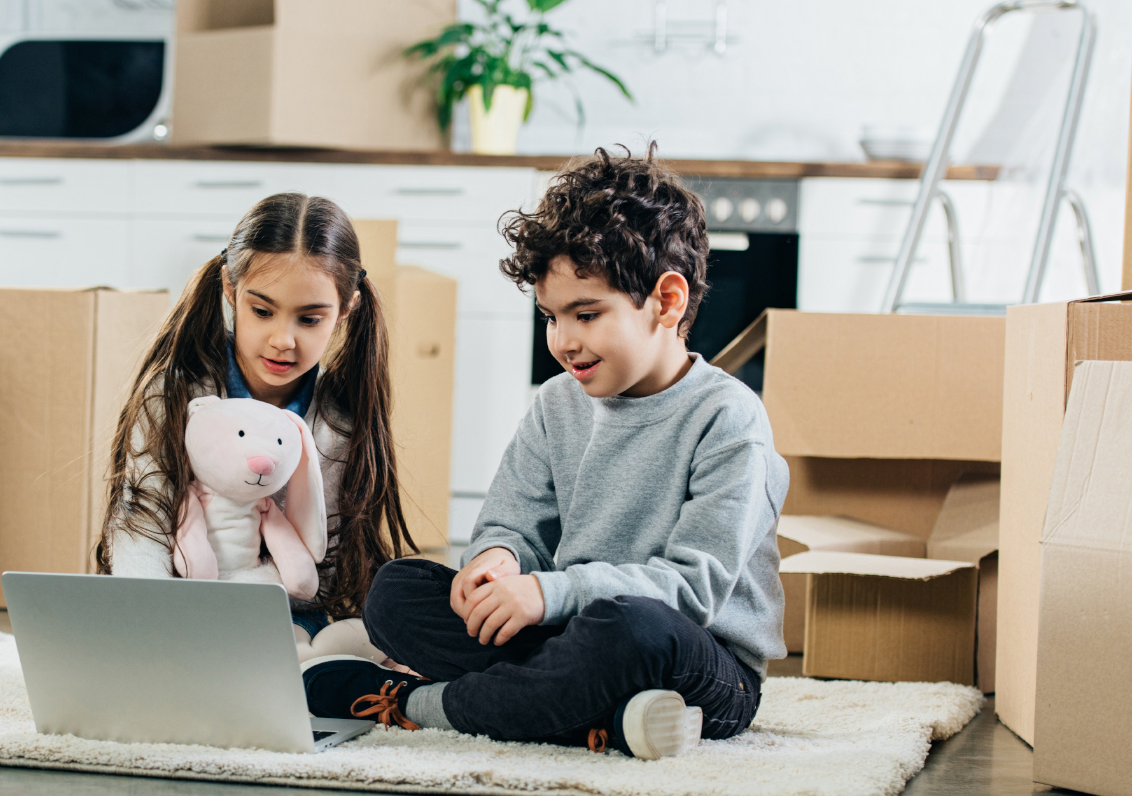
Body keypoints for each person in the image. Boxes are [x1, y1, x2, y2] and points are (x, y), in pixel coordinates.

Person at [302, 146, 789, 760]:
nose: (563, 341)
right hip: (568, 632)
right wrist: (497, 562)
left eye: (585, 314)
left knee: (628, 631)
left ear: (666, 302)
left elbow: (691, 591)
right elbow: (511, 522)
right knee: (395, 592)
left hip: (699, 660)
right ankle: (602, 720)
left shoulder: (729, 420)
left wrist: (548, 594)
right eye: (550, 317)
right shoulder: (558, 403)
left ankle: (414, 705)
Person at [95, 192, 415, 641]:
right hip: (171, 608)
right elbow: (140, 530)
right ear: (230, 288)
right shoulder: (174, 395)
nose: (282, 339)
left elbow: (323, 569)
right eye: (262, 311)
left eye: (309, 320)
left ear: (345, 310)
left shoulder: (339, 424)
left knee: (332, 657)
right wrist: (153, 624)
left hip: (279, 614)